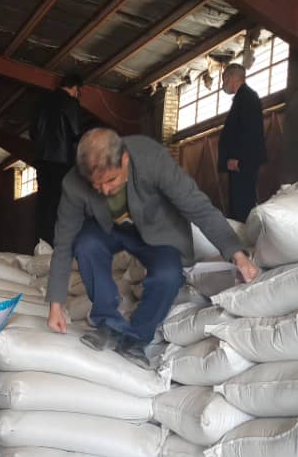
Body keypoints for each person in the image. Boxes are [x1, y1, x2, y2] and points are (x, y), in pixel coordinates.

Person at [47, 128, 260, 363]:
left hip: (157, 230)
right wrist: (56, 305)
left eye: (111, 180)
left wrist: (237, 254)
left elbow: (197, 206)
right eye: (96, 185)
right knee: (85, 244)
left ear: (125, 160)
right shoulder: (73, 183)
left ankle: (137, 337)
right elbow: (63, 242)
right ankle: (108, 323)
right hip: (108, 230)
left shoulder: (150, 157)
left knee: (168, 275)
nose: (105, 190)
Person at [29, 72, 84, 245]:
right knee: (59, 201)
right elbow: (76, 132)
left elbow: (33, 132)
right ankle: (57, 243)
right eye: (78, 91)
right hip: (61, 160)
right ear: (75, 88)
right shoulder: (71, 103)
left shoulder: (41, 102)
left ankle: (41, 242)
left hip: (42, 160)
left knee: (43, 200)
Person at [218, 63, 267, 222]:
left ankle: (244, 234)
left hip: (242, 161)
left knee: (241, 203)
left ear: (232, 77)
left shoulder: (247, 97)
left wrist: (236, 157)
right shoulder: (243, 98)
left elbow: (249, 130)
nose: (223, 83)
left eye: (224, 79)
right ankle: (241, 232)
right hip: (241, 161)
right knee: (238, 202)